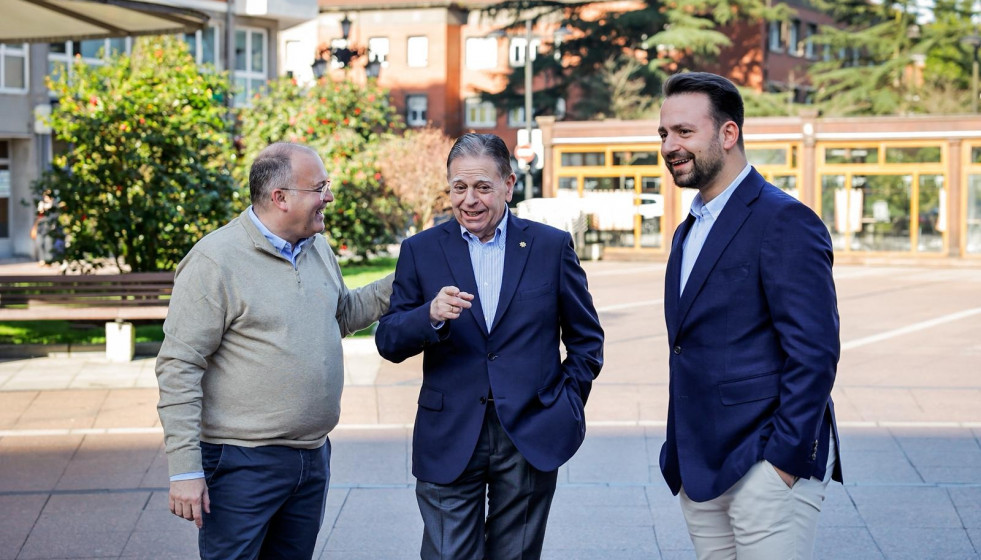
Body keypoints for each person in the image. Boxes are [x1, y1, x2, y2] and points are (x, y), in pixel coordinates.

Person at [155, 142, 393, 559]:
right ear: (279, 198)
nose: (329, 197)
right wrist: (185, 470)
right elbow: (179, 366)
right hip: (240, 464)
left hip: (312, 457)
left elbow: (341, 314)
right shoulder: (215, 260)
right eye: (319, 187)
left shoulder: (316, 247)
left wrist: (407, 276)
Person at [375, 133, 604, 560]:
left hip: (530, 432)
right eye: (459, 187)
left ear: (508, 185)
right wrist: (430, 315)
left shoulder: (550, 247)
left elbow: (586, 340)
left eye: (482, 186)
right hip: (448, 433)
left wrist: (564, 403)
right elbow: (388, 339)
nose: (469, 200)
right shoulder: (420, 250)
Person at [657, 71, 842, 560]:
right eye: (664, 133)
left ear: (728, 133)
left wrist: (782, 462)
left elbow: (815, 352)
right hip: (699, 468)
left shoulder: (784, 219)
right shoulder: (687, 230)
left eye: (684, 132)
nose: (670, 145)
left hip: (765, 468)